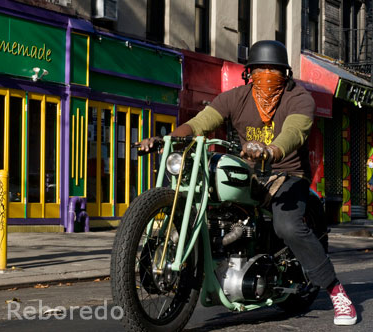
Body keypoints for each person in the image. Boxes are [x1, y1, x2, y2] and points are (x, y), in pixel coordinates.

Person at [137, 40, 356, 326]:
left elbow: (295, 132)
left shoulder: (299, 98)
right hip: (248, 173)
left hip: (287, 174)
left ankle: (336, 292)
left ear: (285, 74)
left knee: (287, 226)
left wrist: (273, 150)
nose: (266, 74)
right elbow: (202, 122)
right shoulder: (235, 97)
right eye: (260, 69)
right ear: (249, 73)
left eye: (273, 69)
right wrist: (169, 139)